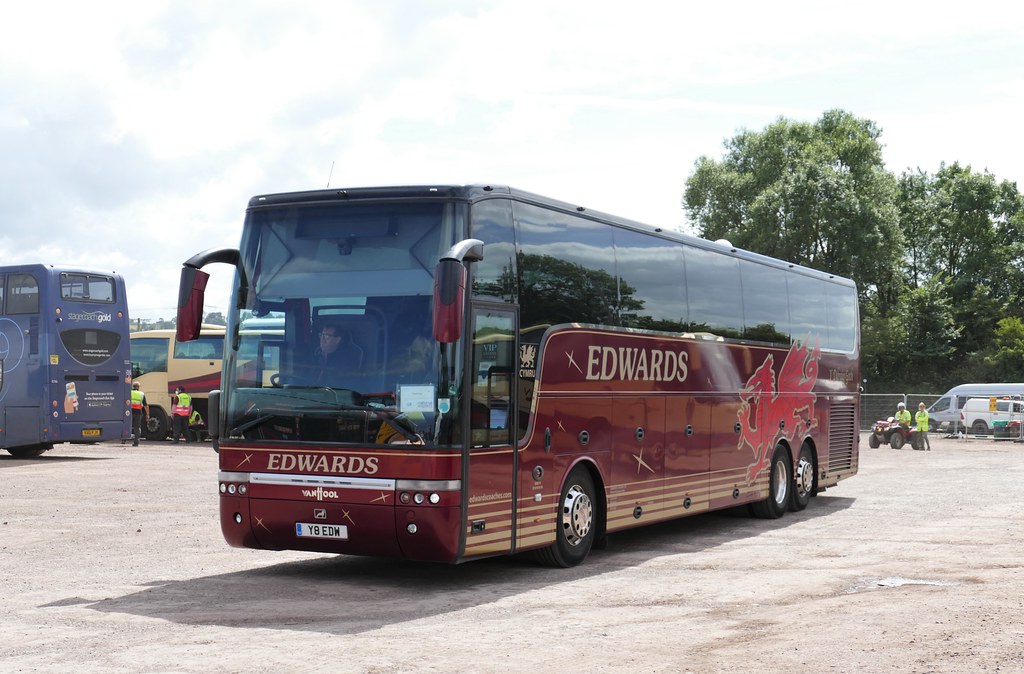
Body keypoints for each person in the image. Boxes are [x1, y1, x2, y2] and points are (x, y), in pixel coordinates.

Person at [130, 381, 149, 447]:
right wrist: (147, 414)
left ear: (133, 386)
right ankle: (136, 442)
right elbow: (145, 405)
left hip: (129, 412)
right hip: (138, 413)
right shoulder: (141, 394)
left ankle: (124, 439)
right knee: (137, 428)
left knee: (128, 426)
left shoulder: (129, 393)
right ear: (139, 387)